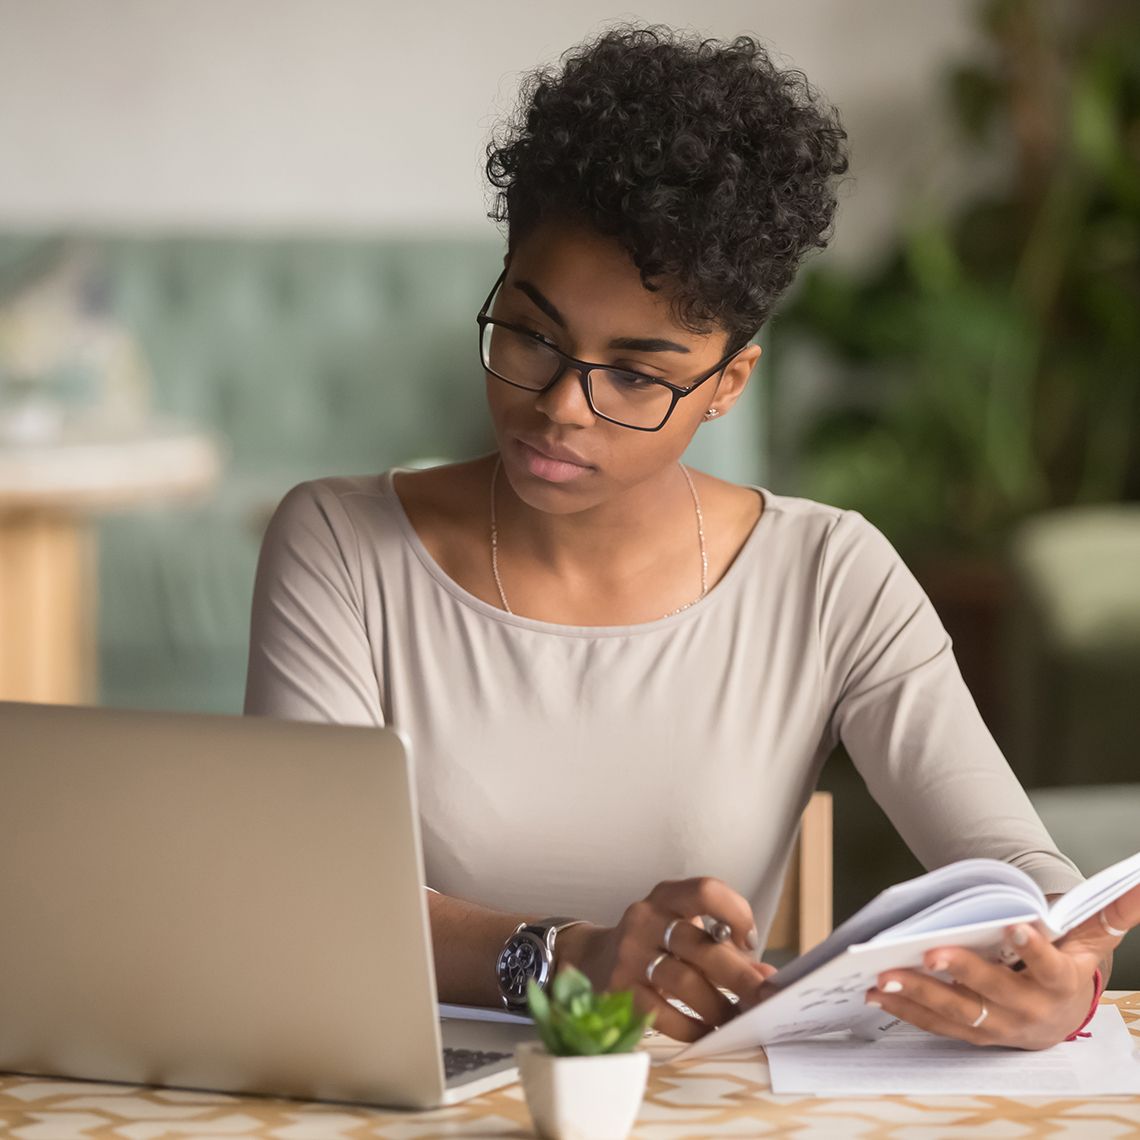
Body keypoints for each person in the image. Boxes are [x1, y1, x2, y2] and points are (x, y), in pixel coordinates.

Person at [244, 25, 1136, 1047]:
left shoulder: (826, 574)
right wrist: (570, 960)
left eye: (636, 373)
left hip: (700, 1100)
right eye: (531, 334)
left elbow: (1024, 876)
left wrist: (1063, 975)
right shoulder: (342, 547)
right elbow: (303, 897)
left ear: (725, 386)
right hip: (418, 1098)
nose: (561, 405)